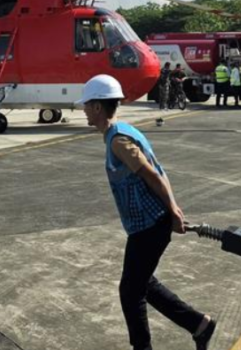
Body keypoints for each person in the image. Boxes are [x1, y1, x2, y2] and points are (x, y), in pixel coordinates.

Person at [77, 74, 216, 350]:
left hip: (150, 225)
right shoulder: (123, 131)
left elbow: (153, 174)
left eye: (86, 105)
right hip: (149, 223)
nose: (83, 110)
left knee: (130, 292)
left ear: (97, 107)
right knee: (143, 284)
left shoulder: (119, 142)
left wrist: (173, 210)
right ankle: (199, 324)